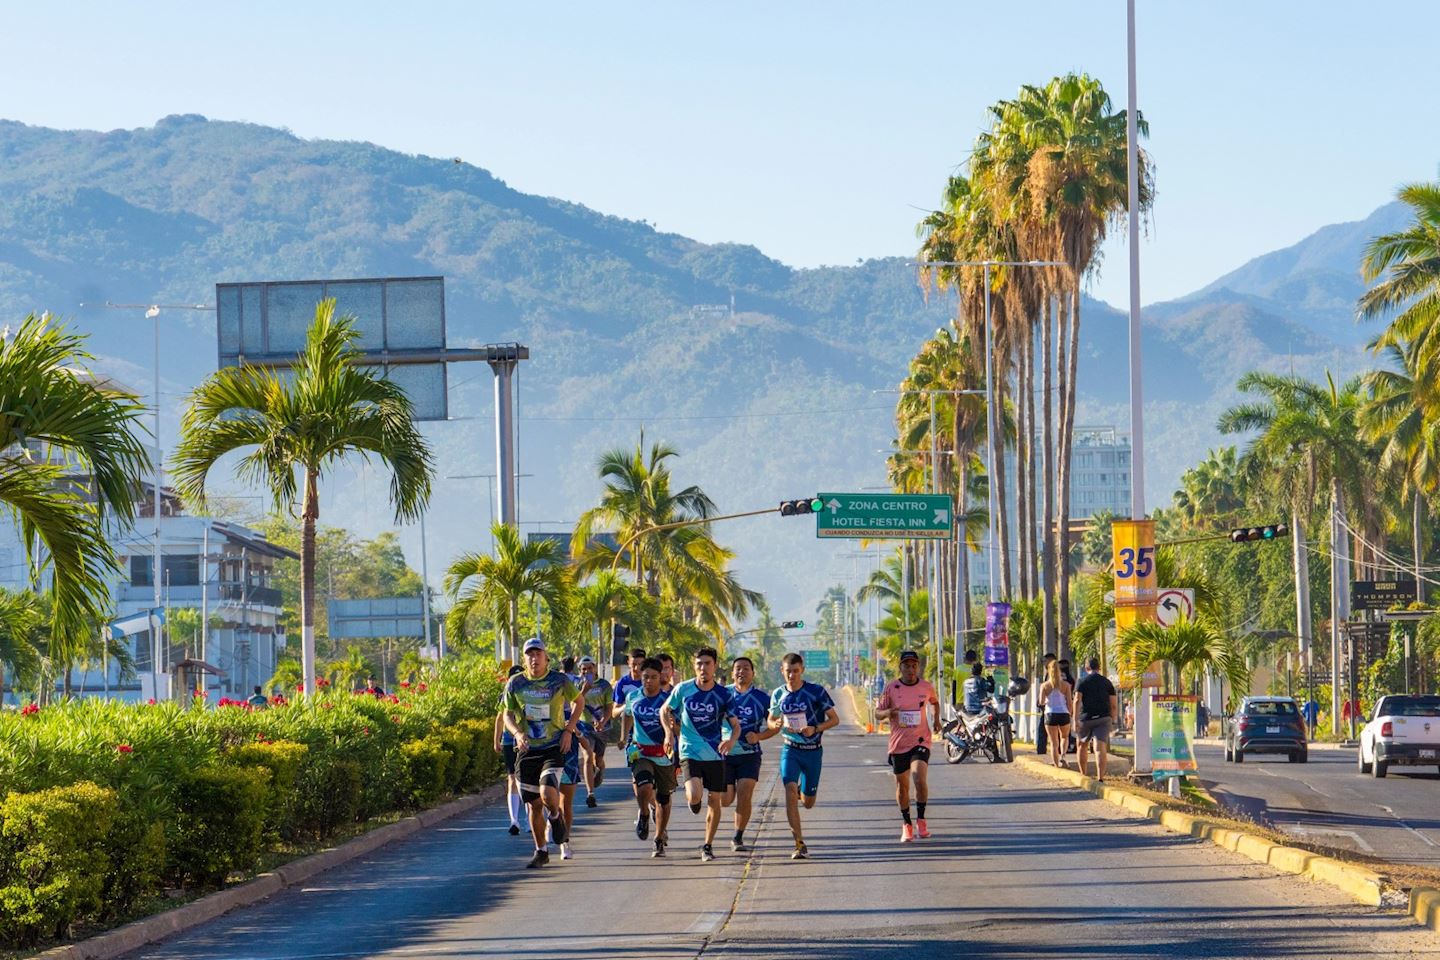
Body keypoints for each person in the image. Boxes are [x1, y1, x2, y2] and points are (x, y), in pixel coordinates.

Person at [501, 637, 585, 869]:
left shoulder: (558, 680)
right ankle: (541, 850)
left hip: (553, 746)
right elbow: (507, 714)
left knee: (548, 794)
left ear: (546, 657)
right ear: (524, 658)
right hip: (527, 749)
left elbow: (579, 701)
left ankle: (556, 817)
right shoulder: (516, 683)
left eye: (538, 654)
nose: (534, 658)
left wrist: (569, 729)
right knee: (534, 805)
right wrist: (517, 733)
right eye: (530, 654)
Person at [661, 647, 740, 863]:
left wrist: (731, 741)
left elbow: (736, 725)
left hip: (715, 754)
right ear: (694, 666)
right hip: (689, 751)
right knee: (695, 795)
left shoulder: (724, 695)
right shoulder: (683, 689)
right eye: (699, 664)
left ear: (714, 665)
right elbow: (664, 710)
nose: (703, 668)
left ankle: (707, 845)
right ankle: (694, 801)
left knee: (715, 800)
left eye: (707, 663)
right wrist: (669, 734)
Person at [768, 652, 839, 860]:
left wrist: (815, 728)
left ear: (802, 671)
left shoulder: (816, 691)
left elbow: (835, 719)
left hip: (813, 751)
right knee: (789, 791)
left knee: (808, 802)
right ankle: (798, 843)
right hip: (790, 749)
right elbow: (771, 719)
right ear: (782, 671)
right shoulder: (778, 694)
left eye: (795, 671)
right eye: (788, 671)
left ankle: (803, 791)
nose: (791, 676)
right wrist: (776, 724)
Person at [875, 650, 940, 842]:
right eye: (907, 666)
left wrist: (936, 720)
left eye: (914, 666)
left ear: (918, 667)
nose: (911, 670)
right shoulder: (891, 687)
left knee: (919, 778)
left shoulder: (926, 686)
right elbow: (877, 713)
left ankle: (921, 820)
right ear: (900, 668)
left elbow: (935, 703)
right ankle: (907, 824)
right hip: (898, 743)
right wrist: (888, 712)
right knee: (902, 787)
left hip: (921, 740)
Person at [621, 657, 675, 857]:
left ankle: (659, 838)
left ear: (660, 677)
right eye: (645, 677)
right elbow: (626, 714)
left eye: (653, 677)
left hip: (663, 754)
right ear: (640, 677)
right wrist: (623, 737)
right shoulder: (633, 696)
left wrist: (671, 727)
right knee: (643, 786)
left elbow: (679, 726)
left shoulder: (669, 700)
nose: (649, 681)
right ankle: (644, 813)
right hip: (640, 751)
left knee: (663, 798)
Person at [722, 655, 771, 852]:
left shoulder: (762, 698)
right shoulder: (722, 695)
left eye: (746, 668)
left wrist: (759, 736)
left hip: (750, 754)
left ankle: (738, 836)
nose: (741, 672)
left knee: (745, 792)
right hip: (724, 753)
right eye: (738, 668)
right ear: (732, 673)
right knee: (725, 800)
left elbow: (775, 724)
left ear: (753, 673)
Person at [1072, 656, 1118, 782]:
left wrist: (1075, 720)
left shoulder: (1081, 681)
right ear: (1099, 668)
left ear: (1087, 668)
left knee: (1082, 745)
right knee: (1100, 747)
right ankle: (1100, 777)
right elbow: (1113, 704)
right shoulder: (1107, 682)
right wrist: (1113, 719)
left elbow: (1077, 700)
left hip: (1085, 718)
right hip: (1103, 718)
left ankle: (1083, 775)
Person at [576, 656, 613, 808]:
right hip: (585, 726)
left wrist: (603, 721)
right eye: (584, 669)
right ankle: (590, 793)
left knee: (598, 760)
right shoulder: (577, 685)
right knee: (587, 756)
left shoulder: (604, 685)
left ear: (595, 668)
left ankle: (600, 770)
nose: (587, 671)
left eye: (589, 668)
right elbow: (574, 704)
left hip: (602, 727)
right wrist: (584, 690)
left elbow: (609, 708)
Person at [494, 664, 526, 836]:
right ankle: (514, 820)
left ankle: (531, 818)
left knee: (527, 779)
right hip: (509, 740)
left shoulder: (530, 693)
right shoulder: (504, 696)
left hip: (527, 739)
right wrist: (496, 740)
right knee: (512, 779)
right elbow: (500, 719)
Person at [1039, 659, 1072, 769]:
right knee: (1064, 737)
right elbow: (1069, 702)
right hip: (1064, 713)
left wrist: (1047, 702)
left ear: (1048, 671)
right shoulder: (1066, 685)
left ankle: (1056, 764)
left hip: (1050, 714)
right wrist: (1070, 714)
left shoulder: (1044, 686)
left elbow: (1041, 702)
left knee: (1053, 742)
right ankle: (1063, 756)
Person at [613, 646, 647, 744]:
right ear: (628, 663)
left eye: (640, 664)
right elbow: (614, 713)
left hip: (648, 730)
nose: (637, 668)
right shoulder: (622, 683)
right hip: (631, 733)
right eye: (634, 664)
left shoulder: (651, 682)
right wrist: (627, 706)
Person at [1035, 653, 1057, 754]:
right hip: (1054, 708)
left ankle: (1041, 752)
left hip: (1050, 707)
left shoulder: (1053, 673)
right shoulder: (1051, 673)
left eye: (1046, 661)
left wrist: (1041, 700)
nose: (1044, 663)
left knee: (1043, 730)